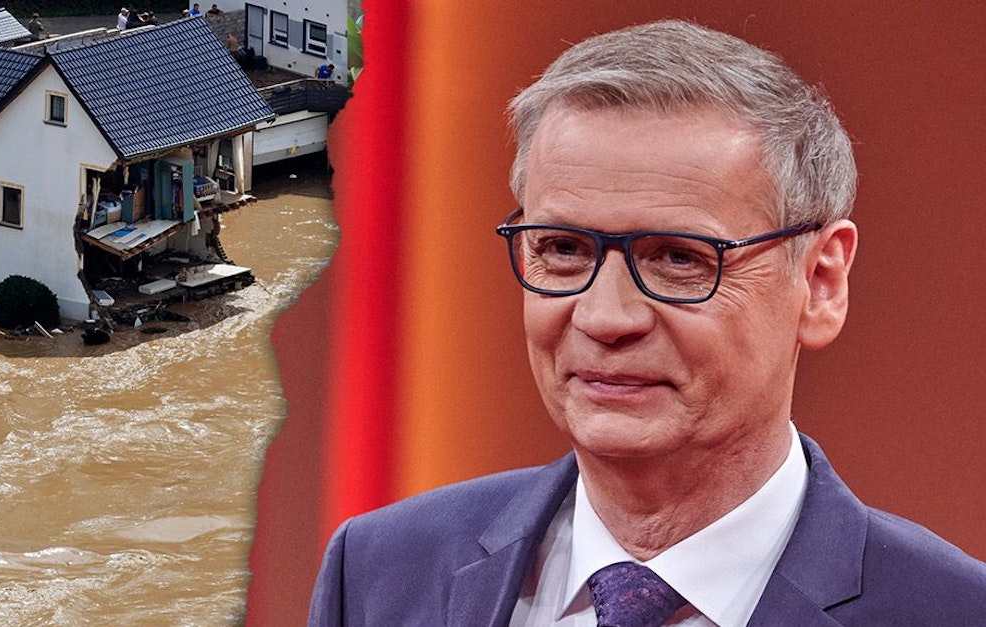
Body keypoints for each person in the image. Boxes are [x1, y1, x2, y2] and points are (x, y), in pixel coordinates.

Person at [309, 19, 986, 626]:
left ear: (820, 281)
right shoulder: (379, 572)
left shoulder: (951, 610)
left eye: (678, 258)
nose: (606, 317)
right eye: (563, 249)